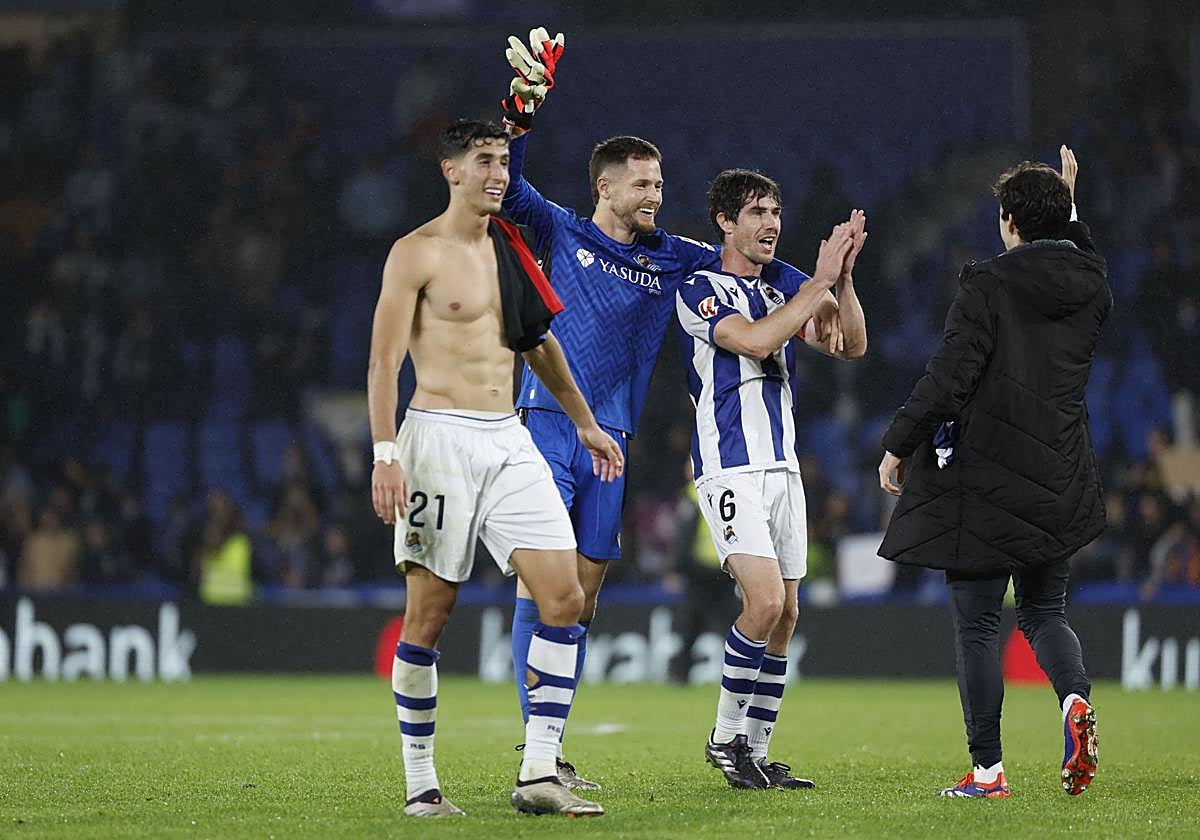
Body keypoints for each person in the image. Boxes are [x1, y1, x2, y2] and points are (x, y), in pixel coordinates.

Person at [497, 29, 839, 788]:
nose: (656, 196)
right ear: (606, 188)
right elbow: (507, 188)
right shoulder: (564, 230)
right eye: (643, 185)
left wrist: (817, 278)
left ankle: (550, 743)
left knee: (582, 597)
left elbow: (752, 265)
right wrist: (520, 113)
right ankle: (539, 751)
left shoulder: (674, 257)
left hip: (611, 440)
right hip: (548, 424)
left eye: (659, 184)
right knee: (548, 584)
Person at [367, 119, 624, 819]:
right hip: (436, 441)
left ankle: (540, 771)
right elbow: (385, 361)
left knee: (565, 596)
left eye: (504, 162)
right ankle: (421, 783)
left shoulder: (509, 248)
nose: (498, 174)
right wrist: (385, 453)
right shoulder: (415, 253)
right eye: (485, 161)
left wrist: (584, 423)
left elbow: (539, 343)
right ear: (451, 171)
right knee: (430, 615)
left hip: (508, 436)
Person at [876, 147, 1106, 798]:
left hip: (986, 477)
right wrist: (1068, 205)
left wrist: (898, 443)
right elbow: (1082, 254)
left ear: (1007, 220)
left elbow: (949, 378)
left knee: (978, 624)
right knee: (1043, 611)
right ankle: (1074, 704)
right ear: (1061, 219)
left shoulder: (987, 283)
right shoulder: (1093, 282)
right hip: (1059, 472)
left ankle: (988, 771)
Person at [676, 169, 867, 788]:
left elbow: (850, 345)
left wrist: (842, 280)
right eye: (757, 211)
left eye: (777, 210)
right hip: (730, 466)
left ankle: (756, 750)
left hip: (783, 467)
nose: (772, 223)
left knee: (786, 616)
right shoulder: (701, 289)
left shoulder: (786, 283)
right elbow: (756, 342)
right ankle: (725, 736)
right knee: (763, 602)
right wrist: (816, 283)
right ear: (726, 223)